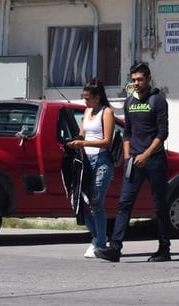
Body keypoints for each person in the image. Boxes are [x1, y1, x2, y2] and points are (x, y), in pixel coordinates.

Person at [95, 61, 172, 263]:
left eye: (140, 79)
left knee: (159, 206)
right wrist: (128, 156)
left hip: (154, 161)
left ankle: (164, 249)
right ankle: (115, 248)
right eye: (134, 80)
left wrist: (146, 155)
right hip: (134, 161)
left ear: (148, 79)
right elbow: (127, 133)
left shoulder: (158, 100)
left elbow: (163, 133)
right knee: (124, 204)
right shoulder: (129, 102)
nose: (136, 83)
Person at [65, 79, 115, 258]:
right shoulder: (87, 112)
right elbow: (82, 132)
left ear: (97, 97)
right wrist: (73, 141)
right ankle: (97, 236)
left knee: (96, 202)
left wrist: (83, 142)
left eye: (87, 98)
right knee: (79, 200)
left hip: (101, 161)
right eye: (83, 98)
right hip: (86, 160)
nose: (85, 102)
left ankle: (100, 242)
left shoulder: (106, 112)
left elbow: (107, 141)